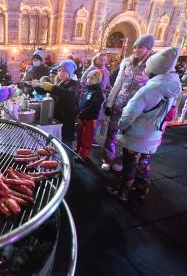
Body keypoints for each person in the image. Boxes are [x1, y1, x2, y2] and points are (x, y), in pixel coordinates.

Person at [107, 47, 181, 201]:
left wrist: (121, 126)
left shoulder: (147, 90)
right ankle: (142, 189)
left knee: (130, 165)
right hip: (154, 133)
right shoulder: (173, 87)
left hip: (137, 135)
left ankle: (123, 193)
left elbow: (128, 115)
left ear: (155, 68)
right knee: (145, 163)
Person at [102, 34, 155, 172]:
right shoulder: (126, 62)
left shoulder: (152, 65)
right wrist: (109, 103)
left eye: (140, 47)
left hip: (137, 107)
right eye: (135, 47)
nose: (136, 50)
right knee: (111, 132)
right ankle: (108, 159)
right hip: (119, 103)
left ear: (149, 49)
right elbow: (118, 83)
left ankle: (120, 160)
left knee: (129, 136)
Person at [41, 60, 80, 146]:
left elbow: (70, 94)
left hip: (67, 119)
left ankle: (69, 159)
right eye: (59, 70)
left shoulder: (74, 83)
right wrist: (39, 86)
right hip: (59, 119)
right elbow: (56, 95)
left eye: (64, 70)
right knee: (59, 141)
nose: (61, 73)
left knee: (66, 143)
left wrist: (53, 88)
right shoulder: (61, 82)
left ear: (70, 72)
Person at [76, 70, 105, 160]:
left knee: (86, 137)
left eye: (92, 78)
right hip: (82, 117)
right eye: (88, 77)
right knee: (79, 135)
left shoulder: (98, 93)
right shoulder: (87, 89)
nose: (89, 79)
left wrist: (81, 113)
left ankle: (83, 154)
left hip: (89, 119)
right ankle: (78, 150)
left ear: (98, 80)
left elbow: (93, 107)